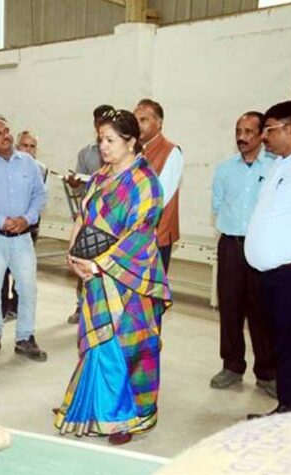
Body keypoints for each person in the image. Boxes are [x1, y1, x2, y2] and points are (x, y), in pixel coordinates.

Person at [54, 109, 172, 445]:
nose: (103, 147)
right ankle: (93, 406)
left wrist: (99, 265)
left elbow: (140, 234)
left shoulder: (145, 182)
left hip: (130, 278)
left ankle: (129, 417)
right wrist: (73, 253)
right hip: (94, 274)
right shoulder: (100, 177)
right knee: (97, 341)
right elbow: (84, 216)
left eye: (110, 140)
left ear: (131, 141)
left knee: (128, 345)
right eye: (100, 140)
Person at [210, 112, 276, 396]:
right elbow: (217, 205)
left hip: (261, 246)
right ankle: (232, 366)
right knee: (230, 308)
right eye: (238, 131)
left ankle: (267, 373)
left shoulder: (275, 168)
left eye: (249, 131)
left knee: (261, 311)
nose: (242, 137)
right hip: (231, 247)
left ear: (262, 135)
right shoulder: (225, 169)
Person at [0, 114, 48, 362]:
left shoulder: (28, 163)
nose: (4, 136)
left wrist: (27, 218)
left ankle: (25, 337)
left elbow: (39, 195)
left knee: (28, 288)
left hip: (22, 238)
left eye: (6, 131)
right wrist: (2, 221)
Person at [245, 99, 291, 418]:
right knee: (281, 344)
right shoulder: (280, 164)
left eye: (270, 129)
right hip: (271, 276)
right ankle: (287, 406)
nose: (263, 136)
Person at [67, 104, 115, 324]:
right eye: (99, 121)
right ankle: (81, 306)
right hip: (90, 220)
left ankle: (107, 312)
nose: (106, 147)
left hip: (112, 222)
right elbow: (82, 188)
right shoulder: (86, 153)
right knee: (84, 260)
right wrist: (75, 183)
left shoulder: (126, 157)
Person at [1, 130, 46, 322]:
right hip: (5, 225)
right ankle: (1, 308)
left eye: (32, 146)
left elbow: (40, 198)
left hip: (28, 227)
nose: (28, 150)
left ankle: (16, 307)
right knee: (2, 270)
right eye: (24, 145)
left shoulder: (41, 169)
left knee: (23, 271)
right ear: (17, 146)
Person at [134, 99, 183, 273]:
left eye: (144, 120)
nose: (138, 125)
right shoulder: (134, 150)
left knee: (153, 285)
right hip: (132, 232)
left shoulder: (171, 151)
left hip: (157, 234)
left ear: (159, 122)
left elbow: (160, 197)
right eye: (136, 120)